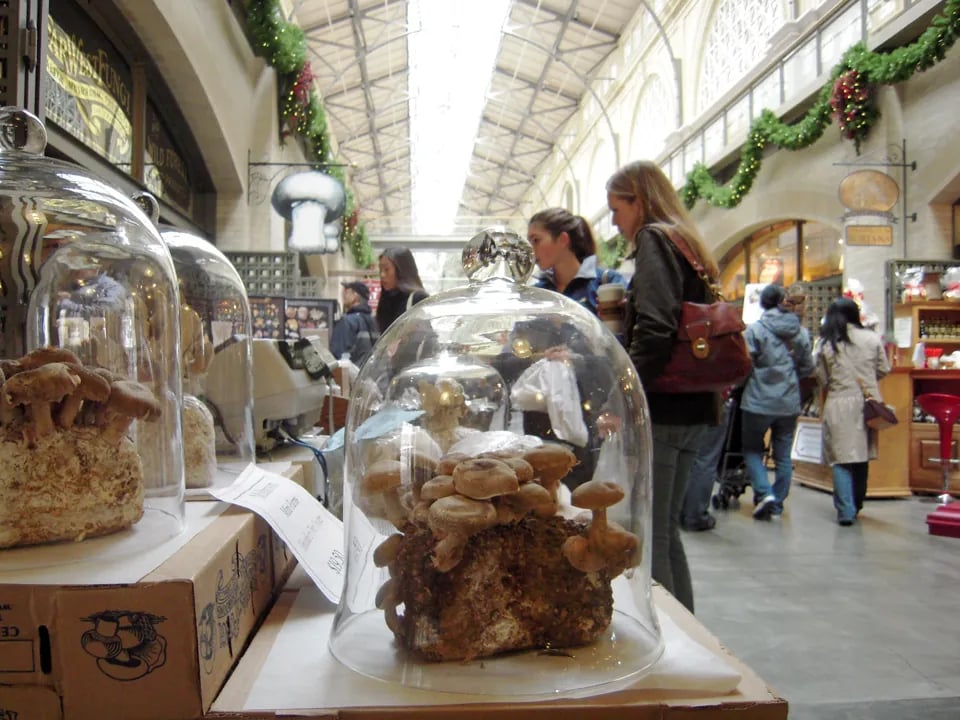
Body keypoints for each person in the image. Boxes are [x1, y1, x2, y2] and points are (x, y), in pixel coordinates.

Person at [605, 159, 721, 613]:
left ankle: (669, 633)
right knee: (666, 532)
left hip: (667, 408)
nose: (615, 222)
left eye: (617, 209)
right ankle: (689, 631)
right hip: (695, 407)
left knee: (651, 534)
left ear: (640, 200)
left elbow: (655, 327)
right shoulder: (686, 240)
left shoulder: (654, 239)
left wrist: (626, 397)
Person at [740, 283, 814, 520]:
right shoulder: (800, 333)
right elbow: (807, 368)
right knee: (783, 454)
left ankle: (764, 494)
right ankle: (778, 502)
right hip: (789, 401)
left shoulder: (755, 331)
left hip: (757, 400)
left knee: (751, 448)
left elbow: (745, 365)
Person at [814, 296, 890, 526]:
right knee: (861, 456)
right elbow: (884, 369)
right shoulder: (872, 338)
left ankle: (846, 510)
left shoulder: (826, 343)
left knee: (841, 457)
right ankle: (857, 503)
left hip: (839, 402)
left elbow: (822, 378)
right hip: (869, 404)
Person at [527, 207, 626, 313]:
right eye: (529, 242)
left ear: (563, 239)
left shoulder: (608, 282)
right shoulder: (537, 294)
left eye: (536, 240)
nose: (530, 250)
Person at [376, 247, 428, 333]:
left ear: (401, 270)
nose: (382, 275)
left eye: (386, 269)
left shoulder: (418, 298)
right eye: (380, 269)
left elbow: (427, 337)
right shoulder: (386, 299)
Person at [329, 281, 378, 367]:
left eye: (347, 291)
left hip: (350, 377)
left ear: (355, 295)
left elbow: (337, 355)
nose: (343, 295)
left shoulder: (348, 321)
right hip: (368, 374)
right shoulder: (373, 321)